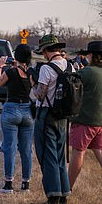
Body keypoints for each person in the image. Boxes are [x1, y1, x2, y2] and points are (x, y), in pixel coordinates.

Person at [32, 34, 73, 203]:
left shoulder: (46, 69)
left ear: (47, 51)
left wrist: (33, 84)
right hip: (63, 116)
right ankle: (64, 193)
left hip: (46, 115)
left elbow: (40, 95)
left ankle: (53, 195)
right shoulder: (70, 67)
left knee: (47, 156)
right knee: (60, 156)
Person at [0, 44, 34, 193]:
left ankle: (8, 184)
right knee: (26, 150)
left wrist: (0, 67)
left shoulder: (10, 72)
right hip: (27, 112)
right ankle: (25, 184)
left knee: (9, 147)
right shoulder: (31, 73)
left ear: (16, 56)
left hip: (11, 110)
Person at [68, 40, 102, 188]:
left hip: (85, 119)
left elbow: (69, 82)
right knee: (99, 150)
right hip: (100, 121)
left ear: (91, 55)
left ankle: (67, 188)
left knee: (78, 152)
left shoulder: (88, 71)